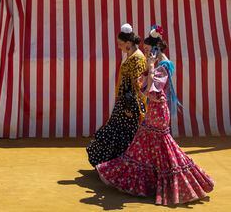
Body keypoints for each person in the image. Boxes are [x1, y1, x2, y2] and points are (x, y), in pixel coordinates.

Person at [96, 25, 214, 205]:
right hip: (155, 110)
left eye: (147, 48)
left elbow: (152, 91)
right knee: (147, 147)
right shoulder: (159, 65)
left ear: (155, 48)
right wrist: (145, 76)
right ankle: (146, 183)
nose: (145, 51)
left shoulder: (163, 65)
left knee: (156, 148)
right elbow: (146, 88)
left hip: (158, 112)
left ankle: (179, 182)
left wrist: (149, 70)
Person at [87, 23, 147, 167]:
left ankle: (121, 165)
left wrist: (130, 106)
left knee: (123, 134)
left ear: (128, 43)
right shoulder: (130, 55)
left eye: (121, 44)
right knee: (116, 132)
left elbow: (137, 84)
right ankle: (114, 165)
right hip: (124, 101)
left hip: (130, 104)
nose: (119, 46)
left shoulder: (137, 58)